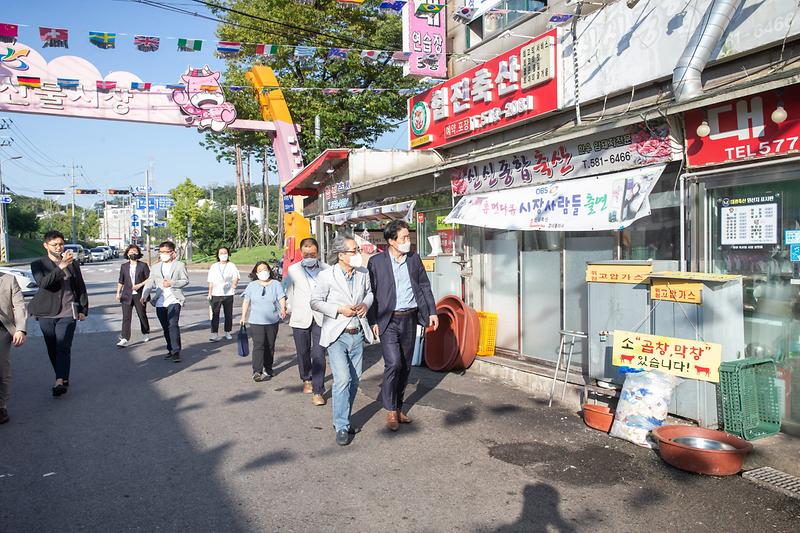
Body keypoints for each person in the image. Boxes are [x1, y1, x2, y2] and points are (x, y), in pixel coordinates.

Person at [367, 220, 438, 431]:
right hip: (388, 319)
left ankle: (398, 407)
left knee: (406, 365)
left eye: (409, 237)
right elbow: (370, 294)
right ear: (391, 241)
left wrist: (432, 312)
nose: (408, 241)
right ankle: (390, 410)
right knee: (394, 363)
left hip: (410, 318)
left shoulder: (414, 259)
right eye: (404, 238)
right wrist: (373, 321)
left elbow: (424, 286)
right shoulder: (376, 262)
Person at [311, 235, 374, 446]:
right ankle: (341, 425)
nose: (357, 254)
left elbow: (369, 293)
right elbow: (315, 302)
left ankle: (344, 420)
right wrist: (338, 309)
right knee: (343, 380)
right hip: (337, 335)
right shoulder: (326, 275)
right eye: (354, 251)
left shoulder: (363, 273)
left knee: (355, 381)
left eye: (358, 250)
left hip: (357, 333)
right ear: (341, 255)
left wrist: (365, 304)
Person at [28, 230, 89, 397]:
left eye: (61, 244)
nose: (58, 247)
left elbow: (80, 286)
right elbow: (43, 283)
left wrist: (83, 309)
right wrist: (61, 266)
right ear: (46, 245)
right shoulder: (38, 264)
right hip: (46, 312)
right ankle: (62, 375)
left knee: (63, 345)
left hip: (68, 311)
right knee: (52, 347)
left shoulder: (73, 263)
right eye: (54, 244)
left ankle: (59, 380)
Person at [285, 237, 328, 406]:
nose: (309, 256)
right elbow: (289, 291)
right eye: (306, 253)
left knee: (319, 354)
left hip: (321, 317)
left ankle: (318, 391)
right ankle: (306, 378)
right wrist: (289, 308)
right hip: (300, 316)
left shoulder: (326, 269)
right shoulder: (293, 270)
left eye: (313, 253)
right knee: (303, 352)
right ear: (301, 253)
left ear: (318, 252)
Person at [141, 241, 189, 363]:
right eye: (161, 252)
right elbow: (150, 282)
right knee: (166, 327)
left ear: (172, 253)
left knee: (173, 324)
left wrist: (172, 283)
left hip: (174, 299)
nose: (163, 254)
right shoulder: (156, 267)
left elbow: (185, 280)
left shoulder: (179, 265)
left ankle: (176, 351)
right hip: (160, 301)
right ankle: (170, 349)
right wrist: (144, 295)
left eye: (166, 252)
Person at [240, 261, 286, 382]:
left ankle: (268, 367)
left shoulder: (276, 284)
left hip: (272, 320)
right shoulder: (252, 285)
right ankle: (257, 371)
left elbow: (281, 297)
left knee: (270, 345)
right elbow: (246, 301)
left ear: (269, 270)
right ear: (256, 273)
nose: (263, 272)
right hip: (256, 321)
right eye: (259, 270)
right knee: (258, 345)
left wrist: (283, 308)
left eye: (265, 269)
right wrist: (243, 316)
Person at [0, 274, 28, 423]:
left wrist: (20, 329)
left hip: (2, 330)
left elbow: (19, 305)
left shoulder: (9, 280)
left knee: (2, 369)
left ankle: (1, 406)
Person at [115, 244, 151, 347]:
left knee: (142, 315)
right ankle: (124, 338)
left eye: (135, 252)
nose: (133, 253)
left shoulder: (143, 265)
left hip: (140, 294)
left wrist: (140, 285)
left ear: (138, 253)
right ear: (127, 254)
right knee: (126, 317)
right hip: (126, 295)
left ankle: (145, 332)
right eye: (130, 252)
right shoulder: (124, 266)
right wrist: (118, 293)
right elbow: (121, 281)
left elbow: (149, 279)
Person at [207, 246, 240, 342]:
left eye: (225, 253)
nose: (223, 255)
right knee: (215, 314)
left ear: (228, 254)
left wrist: (234, 285)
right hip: (216, 293)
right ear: (218, 255)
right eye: (221, 253)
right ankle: (214, 334)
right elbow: (211, 281)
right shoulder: (214, 266)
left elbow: (236, 277)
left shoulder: (231, 265)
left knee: (228, 314)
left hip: (228, 293)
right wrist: (209, 293)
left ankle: (227, 332)